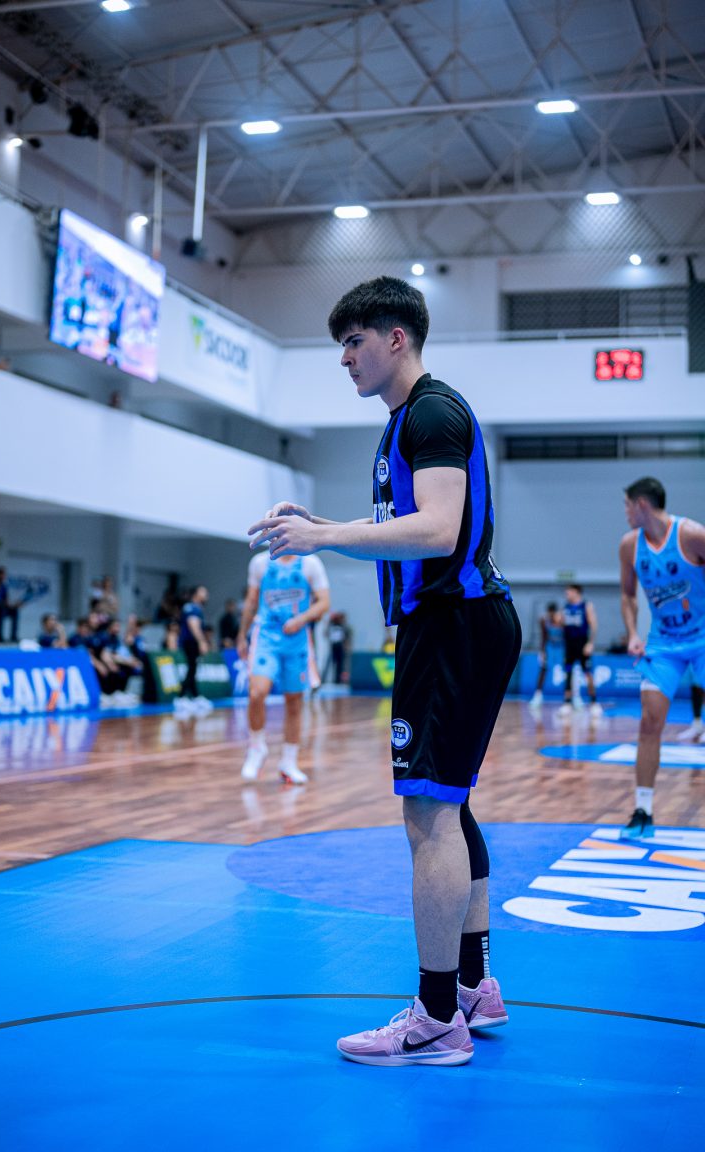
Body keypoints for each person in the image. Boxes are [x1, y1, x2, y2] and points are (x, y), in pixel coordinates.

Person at [247, 275, 521, 1067]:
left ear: (396, 338)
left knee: (428, 816)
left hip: (455, 625)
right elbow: (409, 523)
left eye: (354, 341)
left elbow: (438, 530)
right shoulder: (406, 421)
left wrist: (326, 536)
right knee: (451, 807)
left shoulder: (430, 413)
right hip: (456, 626)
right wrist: (323, 524)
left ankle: (436, 1019)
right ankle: (471, 986)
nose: (345, 358)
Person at [620, 476, 705, 836]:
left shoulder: (691, 535)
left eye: (627, 505)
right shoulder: (629, 546)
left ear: (641, 504)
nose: (625, 513)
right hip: (664, 644)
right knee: (649, 723)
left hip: (702, 638)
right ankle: (643, 810)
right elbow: (628, 596)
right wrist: (633, 633)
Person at [237, 552, 330, 785]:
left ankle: (289, 761)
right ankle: (257, 747)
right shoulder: (259, 563)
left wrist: (301, 619)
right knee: (256, 693)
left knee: (294, 701)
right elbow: (251, 601)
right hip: (266, 636)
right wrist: (241, 635)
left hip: (297, 639)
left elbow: (324, 603)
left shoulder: (310, 563)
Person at [556, 583, 602, 717]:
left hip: (582, 644)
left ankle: (594, 702)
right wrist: (559, 620)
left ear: (576, 592)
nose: (567, 594)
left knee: (588, 673)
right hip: (569, 645)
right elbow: (560, 624)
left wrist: (590, 643)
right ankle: (567, 703)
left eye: (569, 592)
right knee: (568, 673)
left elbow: (594, 625)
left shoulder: (586, 606)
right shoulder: (565, 607)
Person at [175, 585, 213, 716]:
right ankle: (180, 698)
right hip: (190, 642)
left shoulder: (196, 608)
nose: (206, 594)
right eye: (203, 591)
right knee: (191, 668)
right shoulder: (192, 608)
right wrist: (202, 641)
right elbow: (193, 625)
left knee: (193, 668)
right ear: (196, 594)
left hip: (192, 642)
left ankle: (195, 697)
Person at [529, 601, 562, 708]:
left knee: (569, 670)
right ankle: (538, 696)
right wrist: (542, 651)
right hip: (550, 647)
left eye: (553, 613)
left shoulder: (563, 620)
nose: (551, 615)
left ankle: (573, 697)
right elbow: (544, 636)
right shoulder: (544, 620)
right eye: (549, 613)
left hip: (561, 647)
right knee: (543, 669)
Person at [324, 611, 352, 684]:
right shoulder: (332, 626)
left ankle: (338, 680)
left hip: (340, 647)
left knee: (341, 665)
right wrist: (329, 622)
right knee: (330, 664)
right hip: (333, 647)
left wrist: (346, 645)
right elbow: (326, 633)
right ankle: (325, 679)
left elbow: (347, 637)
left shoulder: (344, 627)